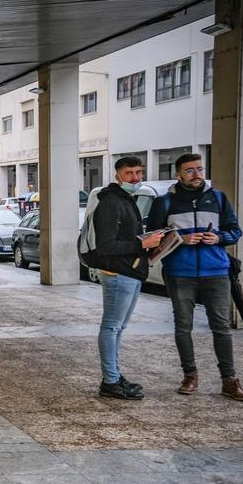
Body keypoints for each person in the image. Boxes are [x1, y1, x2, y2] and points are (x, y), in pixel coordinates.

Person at [146, 152, 243, 401]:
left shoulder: (218, 198)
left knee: (221, 327)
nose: (197, 174)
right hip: (179, 273)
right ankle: (190, 376)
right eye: (190, 170)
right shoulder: (165, 202)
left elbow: (235, 231)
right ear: (178, 174)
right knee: (183, 327)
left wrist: (219, 238)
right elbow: (152, 238)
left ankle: (229, 380)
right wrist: (180, 240)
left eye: (200, 169)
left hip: (216, 272)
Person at [90, 156, 164, 399]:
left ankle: (114, 376)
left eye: (139, 172)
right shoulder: (111, 203)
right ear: (118, 176)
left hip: (130, 271)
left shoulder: (126, 200)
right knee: (111, 327)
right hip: (118, 273)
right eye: (130, 173)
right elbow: (105, 246)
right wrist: (143, 242)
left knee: (118, 327)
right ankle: (110, 381)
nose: (136, 178)